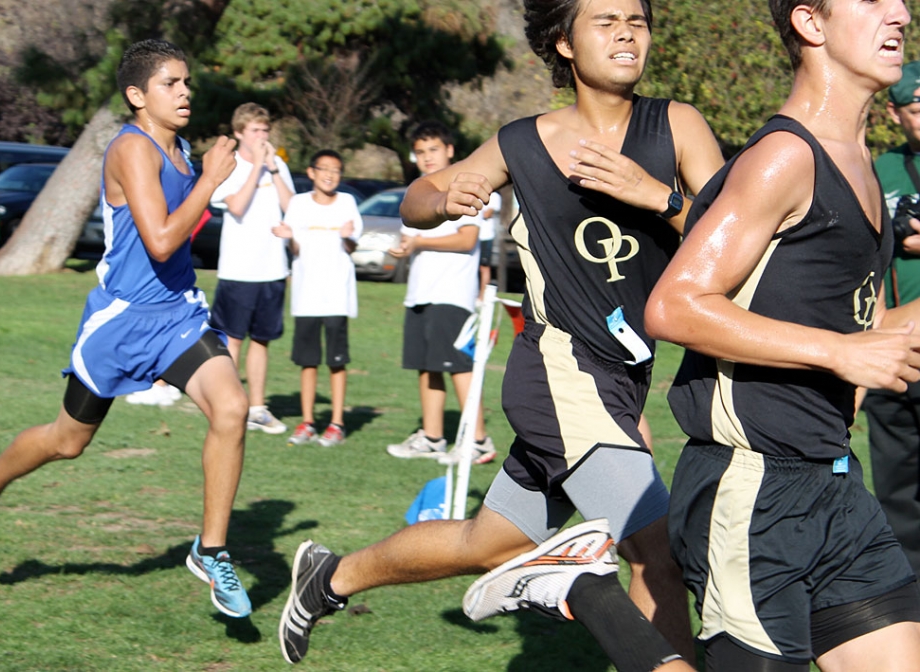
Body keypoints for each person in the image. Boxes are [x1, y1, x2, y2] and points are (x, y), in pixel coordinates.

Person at [279, 1, 724, 669]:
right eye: (605, 20)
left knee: (485, 543)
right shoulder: (524, 141)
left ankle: (330, 577)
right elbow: (420, 196)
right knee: (657, 551)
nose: (627, 31)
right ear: (564, 43)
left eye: (637, 17)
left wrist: (657, 197)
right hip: (561, 369)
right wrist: (444, 198)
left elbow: (733, 245)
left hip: (624, 378)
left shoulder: (678, 126)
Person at [645, 1, 920, 670]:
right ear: (810, 22)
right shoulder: (784, 157)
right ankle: (589, 595)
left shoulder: (858, 158)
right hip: (752, 487)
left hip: (833, 483)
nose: (902, 14)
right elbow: (675, 306)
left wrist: (857, 344)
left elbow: (863, 330)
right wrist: (841, 352)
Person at [0, 39, 253, 618]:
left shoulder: (185, 150)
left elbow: (178, 243)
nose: (186, 91)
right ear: (137, 96)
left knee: (233, 409)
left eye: (187, 81)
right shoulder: (130, 149)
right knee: (69, 441)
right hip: (120, 323)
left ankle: (211, 550)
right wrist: (209, 183)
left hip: (178, 316)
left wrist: (211, 179)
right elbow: (162, 237)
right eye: (172, 83)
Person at [384, 121, 496, 465]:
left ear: (449, 150)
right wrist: (407, 248)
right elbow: (417, 240)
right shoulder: (420, 192)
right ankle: (432, 437)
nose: (427, 157)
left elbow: (467, 239)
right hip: (421, 292)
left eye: (433, 149)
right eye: (420, 152)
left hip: (452, 295)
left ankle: (478, 440)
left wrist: (419, 241)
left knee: (458, 366)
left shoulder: (465, 185)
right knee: (426, 366)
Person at [862, 60, 920, 578]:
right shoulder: (878, 170)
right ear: (894, 112)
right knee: (898, 487)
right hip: (890, 345)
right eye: (916, 106)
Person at [209, 102, 295, 434]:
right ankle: (228, 404)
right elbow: (239, 206)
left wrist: (272, 169)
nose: (262, 136)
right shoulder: (229, 168)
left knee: (262, 339)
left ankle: (257, 408)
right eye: (255, 131)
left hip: (273, 268)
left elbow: (292, 208)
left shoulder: (277, 167)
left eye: (265, 130)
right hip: (238, 270)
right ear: (239, 133)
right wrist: (256, 165)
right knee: (232, 340)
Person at [273, 150, 363, 447]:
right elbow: (296, 250)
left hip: (336, 295)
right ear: (311, 172)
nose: (329, 175)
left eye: (335, 170)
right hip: (307, 295)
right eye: (323, 169)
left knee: (336, 361)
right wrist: (288, 237)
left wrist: (349, 236)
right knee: (307, 361)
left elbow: (351, 247)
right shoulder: (298, 205)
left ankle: (337, 423)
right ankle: (308, 421)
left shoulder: (348, 203)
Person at [477, 190, 503, 302]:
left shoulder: (494, 196)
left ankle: (482, 297)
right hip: (474, 237)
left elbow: (487, 213)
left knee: (484, 267)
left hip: (485, 236)